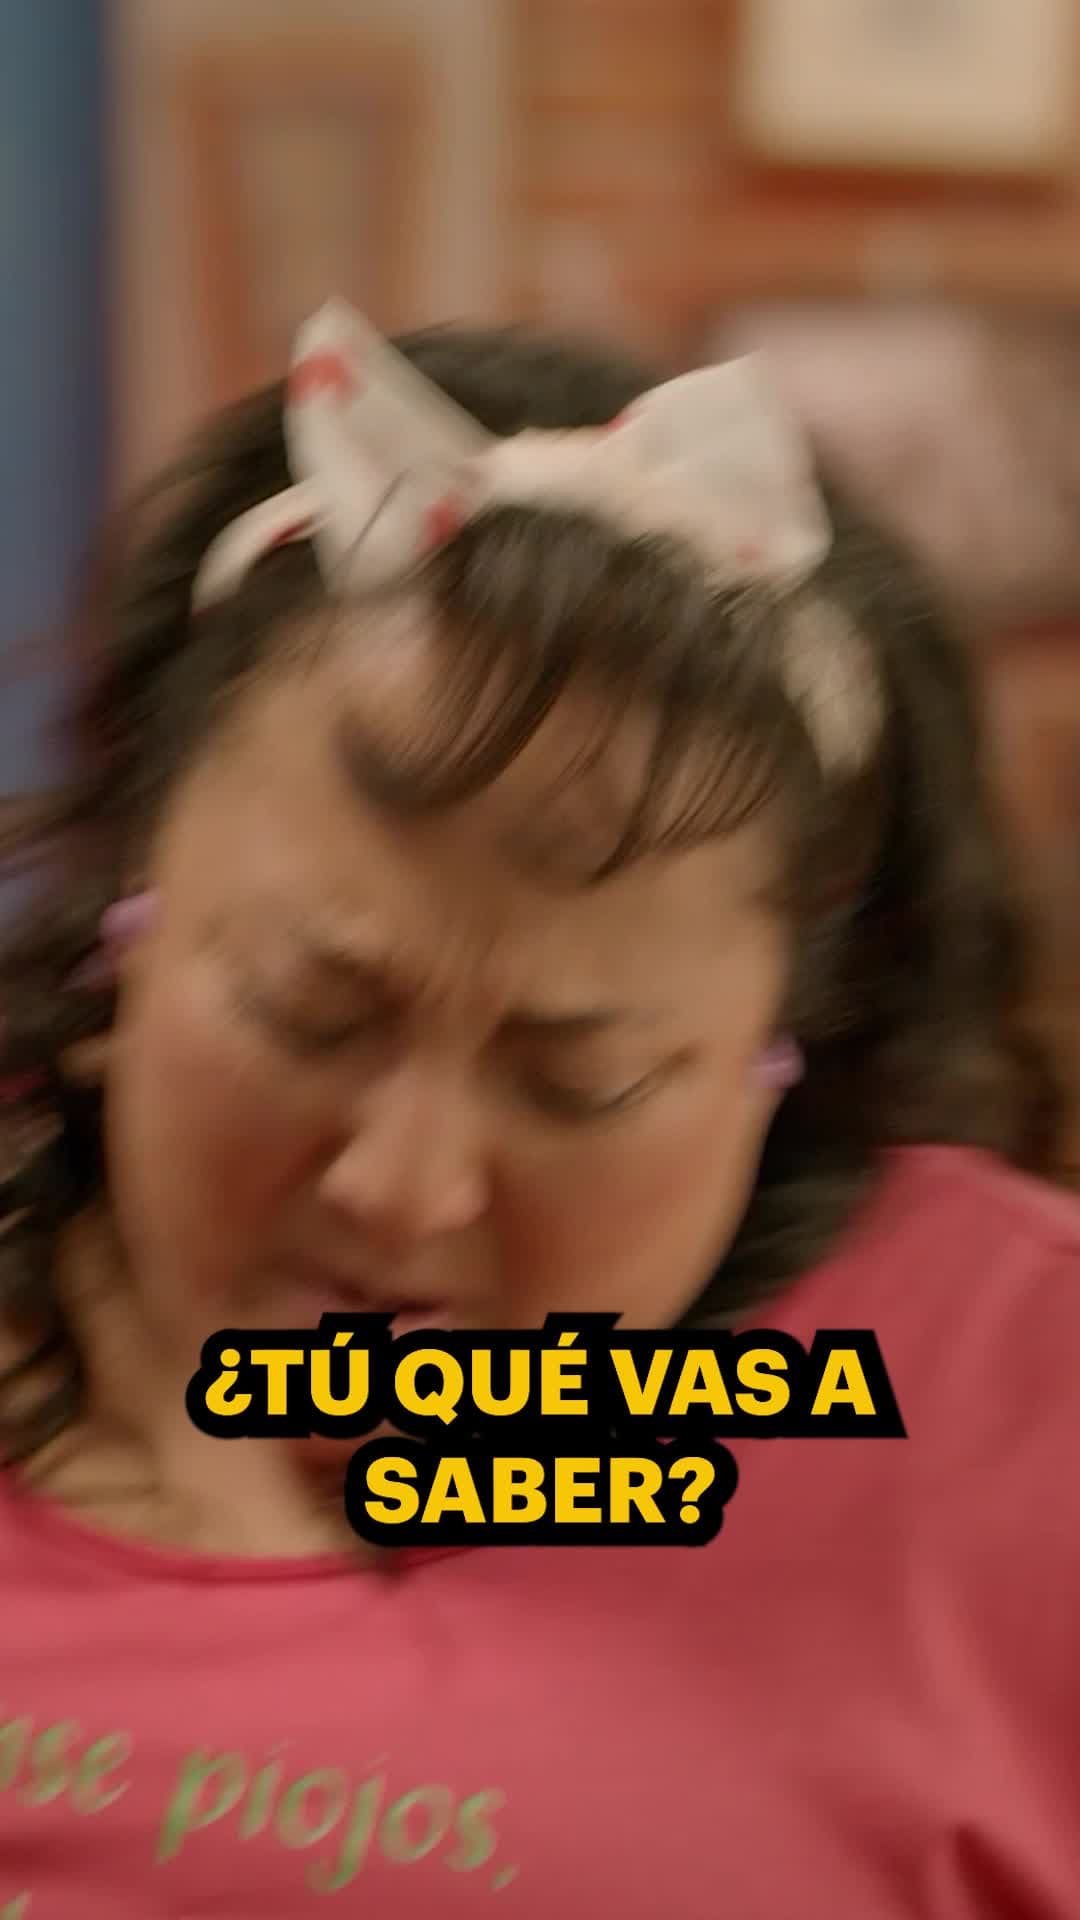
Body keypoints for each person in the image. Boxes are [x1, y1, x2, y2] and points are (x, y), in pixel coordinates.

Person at [0, 298, 1077, 1920]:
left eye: (580, 1084)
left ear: (783, 1065)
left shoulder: (1007, 1407)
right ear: (123, 924)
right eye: (304, 1015)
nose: (403, 1188)